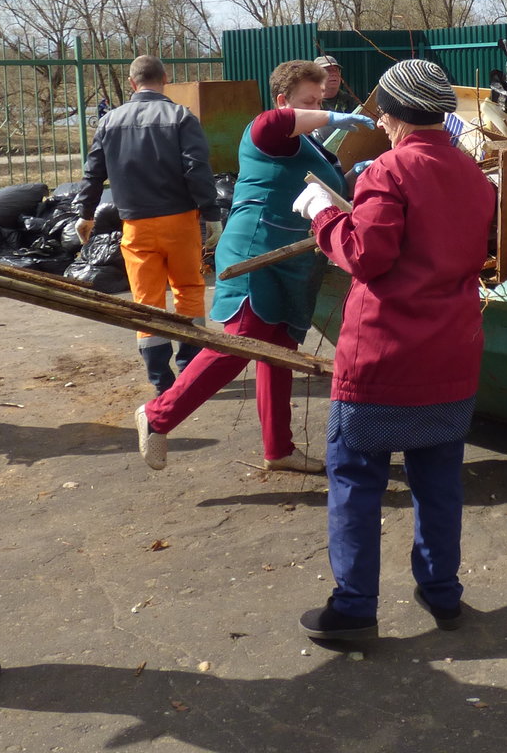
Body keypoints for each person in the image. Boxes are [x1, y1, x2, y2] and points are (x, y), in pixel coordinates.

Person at [294, 60, 496, 641]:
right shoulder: (474, 175)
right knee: (439, 479)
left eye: (382, 111)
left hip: (383, 359)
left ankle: (354, 608)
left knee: (356, 479)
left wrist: (324, 213)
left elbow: (367, 255)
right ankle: (442, 592)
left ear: (397, 113)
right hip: (450, 355)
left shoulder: (390, 169)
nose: (379, 120)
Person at [133, 59, 375, 474]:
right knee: (240, 343)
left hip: (291, 264)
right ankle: (157, 415)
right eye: (308, 102)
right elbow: (275, 123)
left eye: (321, 102)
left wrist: (355, 175)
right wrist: (331, 117)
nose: (319, 109)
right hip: (254, 255)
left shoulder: (313, 147)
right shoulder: (265, 131)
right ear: (283, 101)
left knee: (278, 353)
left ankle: (278, 449)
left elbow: (322, 193)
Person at [74, 55, 222, 392]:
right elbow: (196, 168)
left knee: (146, 300)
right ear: (165, 78)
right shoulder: (181, 117)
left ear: (132, 83)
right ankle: (191, 373)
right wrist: (211, 214)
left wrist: (85, 214)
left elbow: (93, 173)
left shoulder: (109, 121)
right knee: (188, 289)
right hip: (180, 221)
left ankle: (160, 381)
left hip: (135, 224)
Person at [308, 56, 361, 150]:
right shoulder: (307, 103)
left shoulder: (350, 102)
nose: (333, 74)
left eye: (336, 70)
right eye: (327, 70)